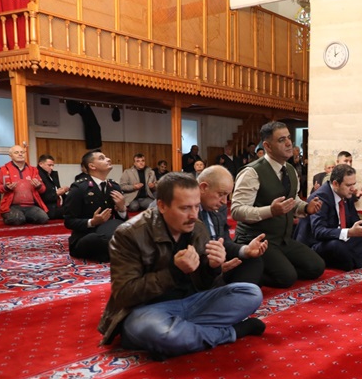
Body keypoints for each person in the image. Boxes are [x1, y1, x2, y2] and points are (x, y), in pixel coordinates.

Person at [97, 172, 265, 359]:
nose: (193, 215)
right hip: (147, 309)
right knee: (161, 333)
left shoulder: (197, 227)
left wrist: (213, 267)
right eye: (185, 208)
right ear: (161, 205)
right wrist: (174, 272)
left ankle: (181, 335)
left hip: (191, 303)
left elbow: (205, 285)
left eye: (196, 207)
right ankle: (231, 332)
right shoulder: (128, 234)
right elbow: (124, 295)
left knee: (251, 293)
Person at [231, 121, 324, 288]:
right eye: (281, 140)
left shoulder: (290, 169)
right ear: (267, 145)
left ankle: (275, 265)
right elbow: (237, 211)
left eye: (289, 138)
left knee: (316, 267)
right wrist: (270, 211)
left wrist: (305, 208)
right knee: (287, 278)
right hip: (257, 239)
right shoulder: (251, 172)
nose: (289, 143)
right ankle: (248, 268)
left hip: (283, 239)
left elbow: (292, 200)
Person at [296, 164, 362, 271]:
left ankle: (345, 261)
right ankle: (361, 261)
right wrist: (349, 232)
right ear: (335, 184)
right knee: (336, 245)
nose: (353, 189)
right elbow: (319, 232)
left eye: (353, 184)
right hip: (316, 245)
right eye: (348, 185)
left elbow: (355, 222)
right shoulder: (320, 198)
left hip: (339, 240)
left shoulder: (347, 195)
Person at [197, 166, 267, 285]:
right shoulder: (187, 211)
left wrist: (246, 250)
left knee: (253, 261)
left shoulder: (219, 208)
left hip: (218, 264)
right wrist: (214, 269)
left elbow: (224, 242)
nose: (225, 201)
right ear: (203, 187)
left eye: (227, 195)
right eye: (221, 194)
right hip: (199, 270)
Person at [63, 150, 127, 263]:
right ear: (92, 166)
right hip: (85, 236)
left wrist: (122, 209)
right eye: (102, 158)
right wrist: (92, 222)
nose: (108, 159)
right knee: (98, 239)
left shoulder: (114, 187)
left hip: (109, 231)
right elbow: (69, 221)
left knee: (131, 231)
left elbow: (122, 221)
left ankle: (115, 251)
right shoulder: (79, 188)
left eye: (106, 157)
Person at [0, 144, 49, 226]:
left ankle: (24, 217)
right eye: (16, 152)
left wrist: (39, 186)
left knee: (43, 218)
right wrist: (6, 188)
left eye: (22, 152)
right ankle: (18, 217)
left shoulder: (33, 170)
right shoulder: (4, 169)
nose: (20, 154)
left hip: (31, 206)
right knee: (17, 220)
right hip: (12, 206)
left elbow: (43, 189)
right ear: (10, 156)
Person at [37, 154, 69, 220]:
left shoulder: (53, 174)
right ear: (40, 164)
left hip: (58, 204)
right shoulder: (37, 175)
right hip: (47, 207)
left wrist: (63, 191)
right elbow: (40, 197)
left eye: (52, 165)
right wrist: (57, 194)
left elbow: (57, 189)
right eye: (49, 165)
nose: (52, 168)